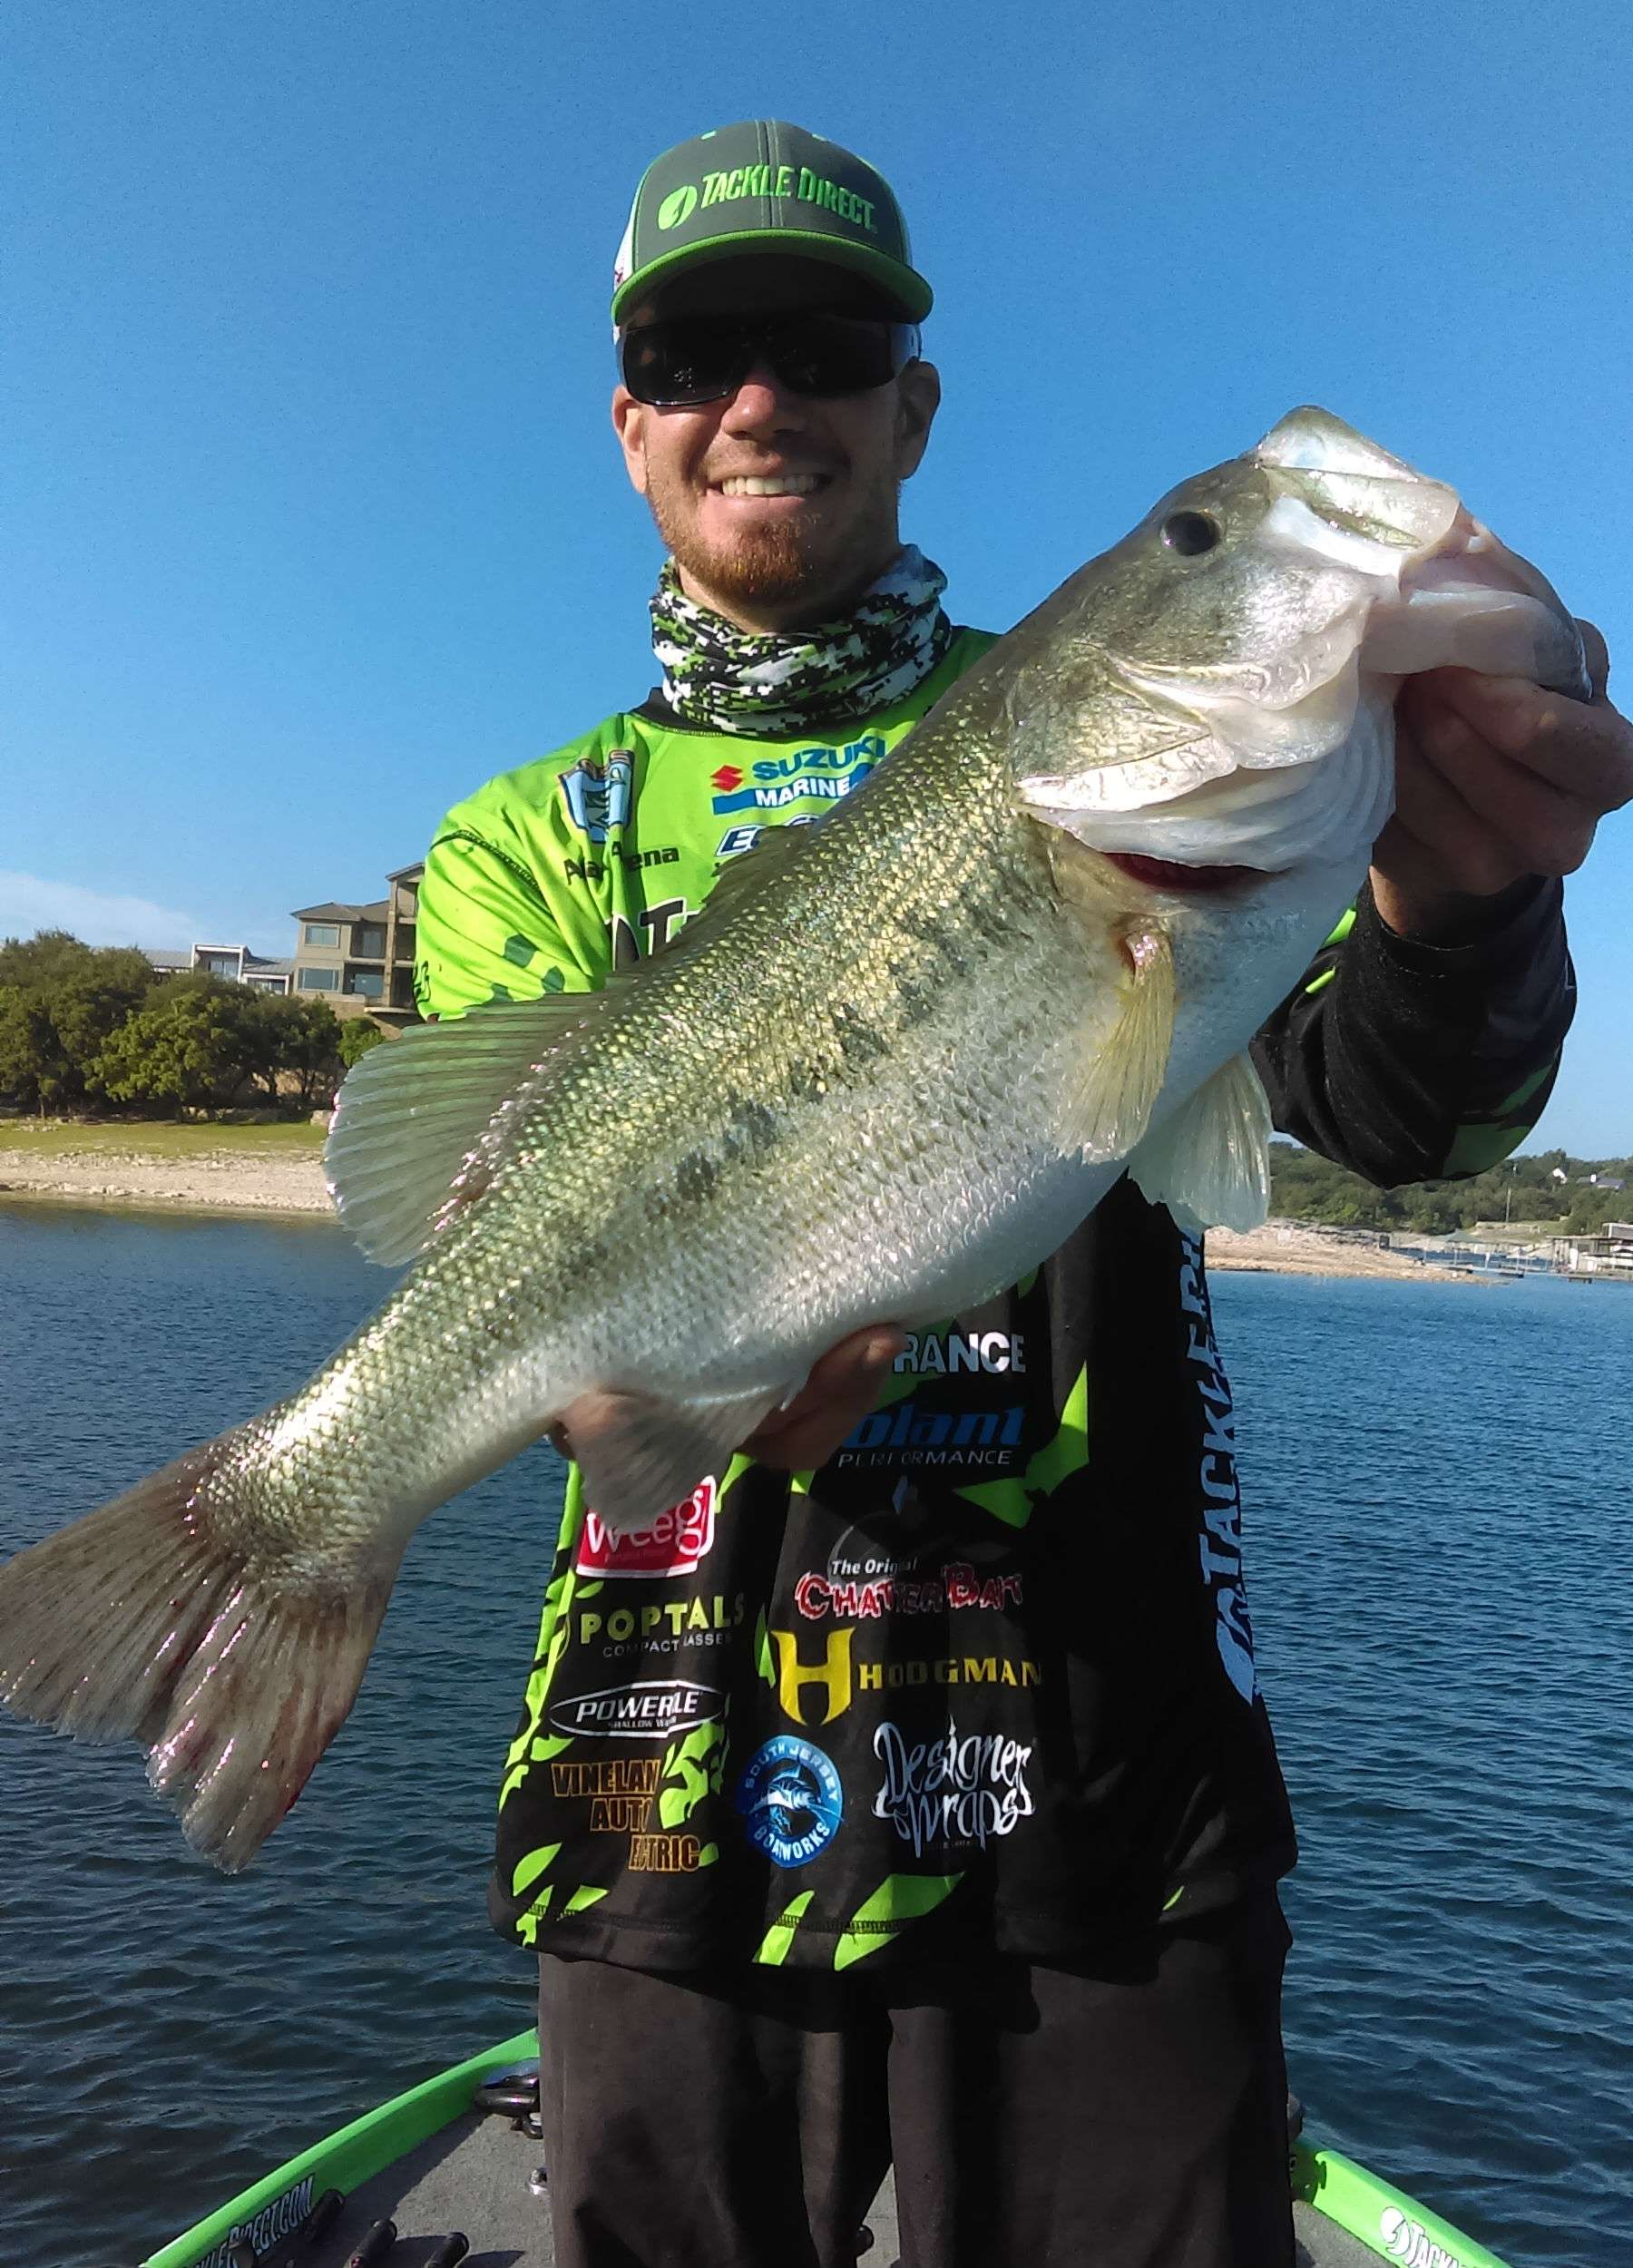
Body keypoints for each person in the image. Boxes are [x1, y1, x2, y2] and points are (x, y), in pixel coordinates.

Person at [414, 121, 1631, 2268]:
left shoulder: (1141, 757)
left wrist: (1460, 897)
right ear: (631, 428)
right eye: (699, 354)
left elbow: (1394, 1119)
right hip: (657, 1773)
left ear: (915, 404)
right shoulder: (529, 831)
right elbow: (509, 1244)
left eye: (822, 341)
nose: (760, 398)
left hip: (1109, 1755)